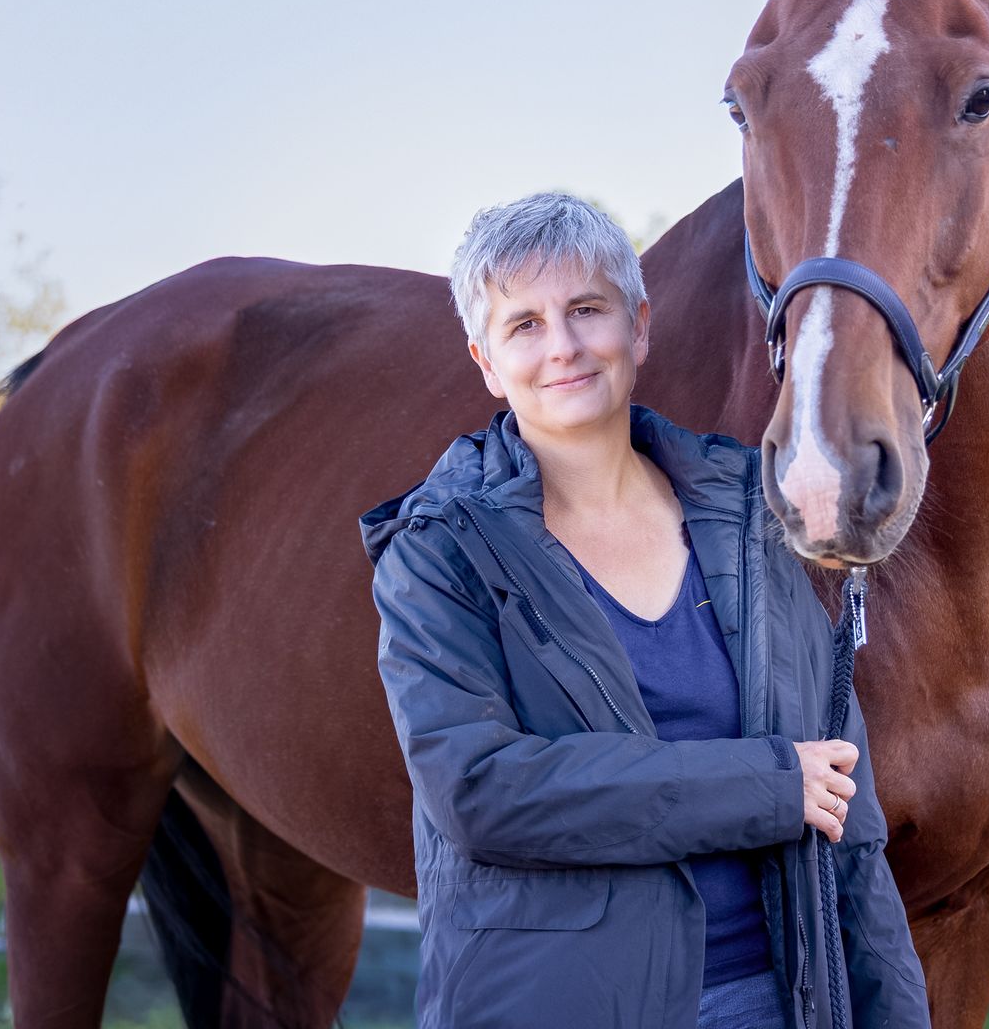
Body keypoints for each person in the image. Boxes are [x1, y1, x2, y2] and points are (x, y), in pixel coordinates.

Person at [359, 192, 930, 1029]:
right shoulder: (439, 551)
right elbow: (482, 792)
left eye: (587, 309)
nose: (562, 346)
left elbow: (849, 811)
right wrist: (768, 783)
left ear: (639, 326)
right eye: (525, 324)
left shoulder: (746, 515)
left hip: (780, 999)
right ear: (486, 360)